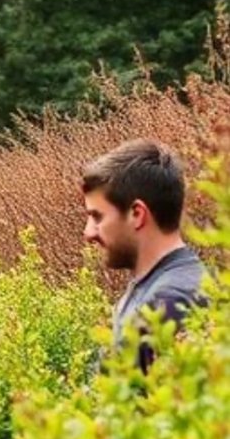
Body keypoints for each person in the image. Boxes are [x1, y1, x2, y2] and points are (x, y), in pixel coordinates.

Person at [82, 139, 207, 372]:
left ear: (137, 214)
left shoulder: (169, 302)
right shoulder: (158, 287)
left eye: (97, 217)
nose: (88, 233)